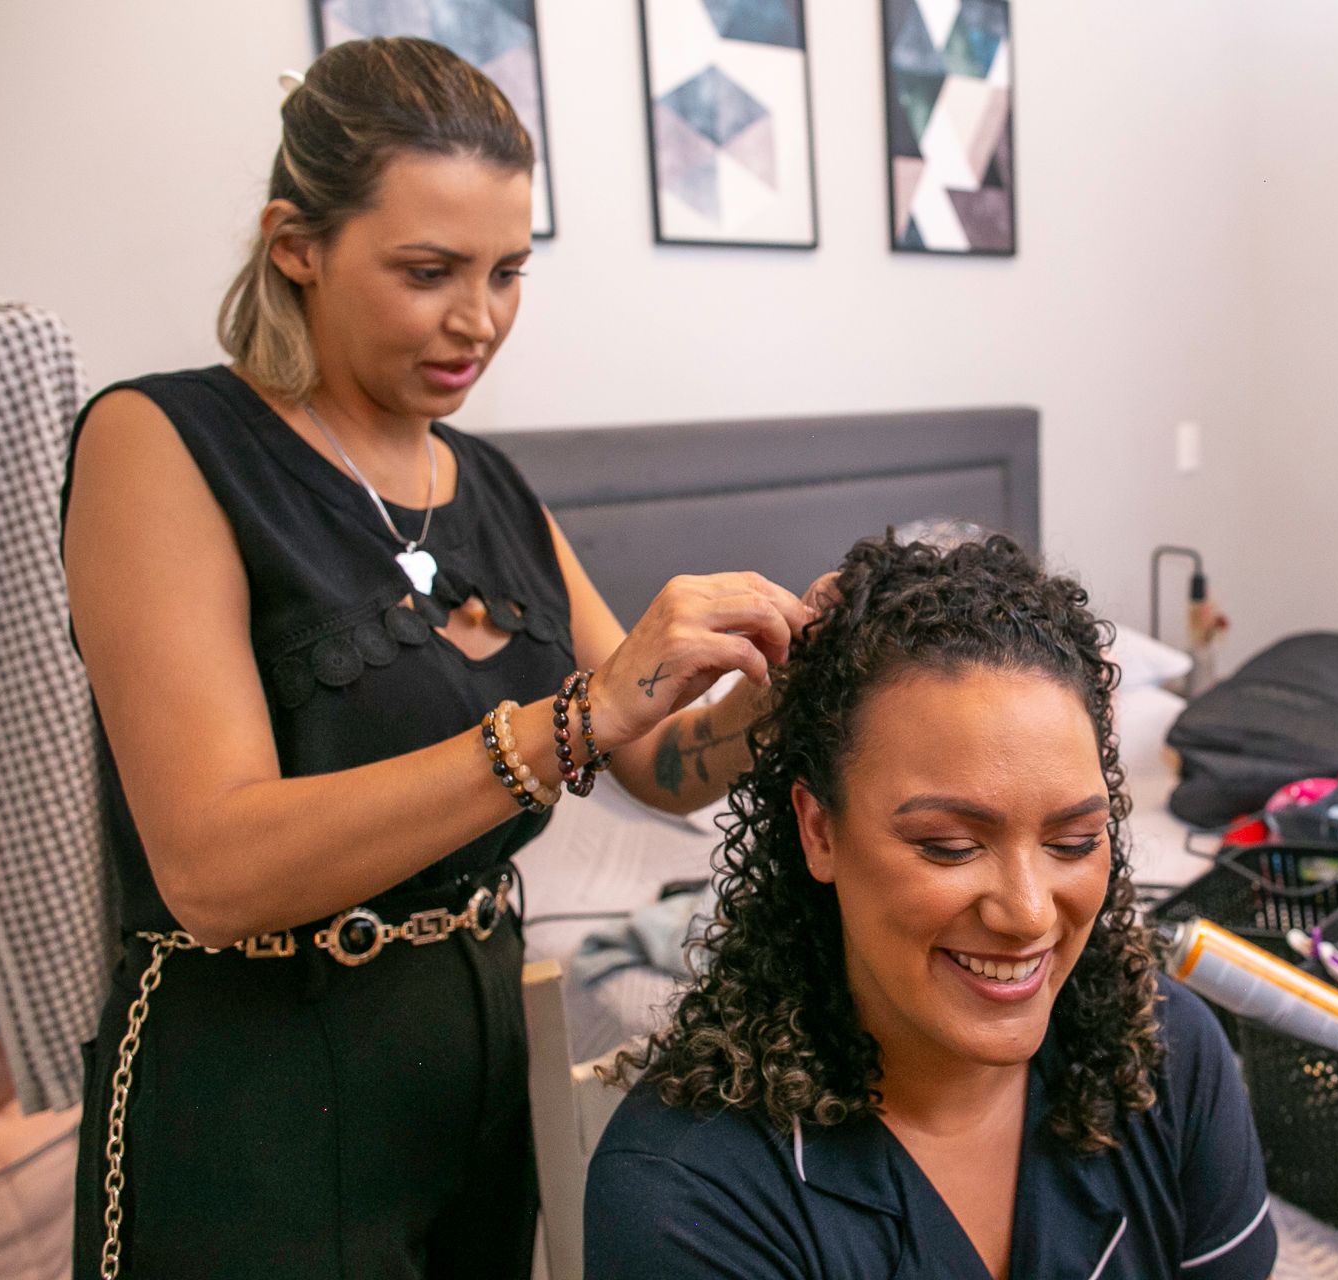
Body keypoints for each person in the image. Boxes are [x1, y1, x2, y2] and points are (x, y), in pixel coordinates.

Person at [60, 37, 818, 1278]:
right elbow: (211, 861)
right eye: (430, 271)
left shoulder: (494, 488)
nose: (481, 319)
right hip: (253, 1097)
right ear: (295, 243)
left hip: (475, 1077)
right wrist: (572, 718)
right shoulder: (164, 443)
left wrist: (781, 690)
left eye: (509, 270)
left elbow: (661, 760)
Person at [585, 534, 1279, 1279]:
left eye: (1074, 841)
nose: (1028, 913)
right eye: (950, 845)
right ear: (820, 831)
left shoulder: (1166, 1055)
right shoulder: (688, 1198)